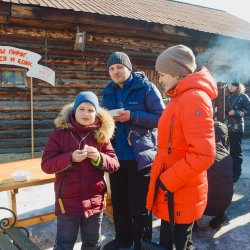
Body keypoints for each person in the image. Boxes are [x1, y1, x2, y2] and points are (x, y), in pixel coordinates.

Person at [146, 44, 217, 250]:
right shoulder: (181, 97)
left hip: (179, 186)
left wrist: (168, 180)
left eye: (161, 74)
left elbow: (203, 154)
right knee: (170, 240)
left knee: (178, 243)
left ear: (176, 72)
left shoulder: (193, 99)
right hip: (174, 186)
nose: (160, 80)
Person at [101, 52, 165, 250]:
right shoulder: (108, 91)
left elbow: (161, 117)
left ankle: (140, 243)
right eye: (112, 68)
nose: (115, 71)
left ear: (129, 68)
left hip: (140, 158)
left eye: (119, 67)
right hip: (116, 158)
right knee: (119, 203)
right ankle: (123, 239)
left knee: (140, 206)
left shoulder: (145, 87)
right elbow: (103, 119)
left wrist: (132, 116)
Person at [41, 91, 120, 250]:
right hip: (67, 203)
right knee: (65, 244)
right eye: (81, 109)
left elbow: (114, 164)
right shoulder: (60, 133)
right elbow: (47, 165)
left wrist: (99, 157)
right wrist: (70, 158)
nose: (86, 113)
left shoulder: (101, 134)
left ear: (96, 113)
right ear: (74, 111)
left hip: (94, 201)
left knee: (92, 243)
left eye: (91, 110)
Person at [201, 121, 234, 229]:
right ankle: (220, 217)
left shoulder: (202, 152)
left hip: (204, 205)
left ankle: (191, 222)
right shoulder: (227, 155)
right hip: (225, 204)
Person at [223, 81, 250, 183]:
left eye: (233, 85)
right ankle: (226, 171)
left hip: (236, 128)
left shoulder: (243, 97)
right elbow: (214, 106)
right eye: (229, 84)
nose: (230, 87)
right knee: (224, 150)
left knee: (235, 151)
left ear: (238, 86)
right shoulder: (223, 96)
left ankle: (236, 173)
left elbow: (249, 110)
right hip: (223, 127)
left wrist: (237, 112)